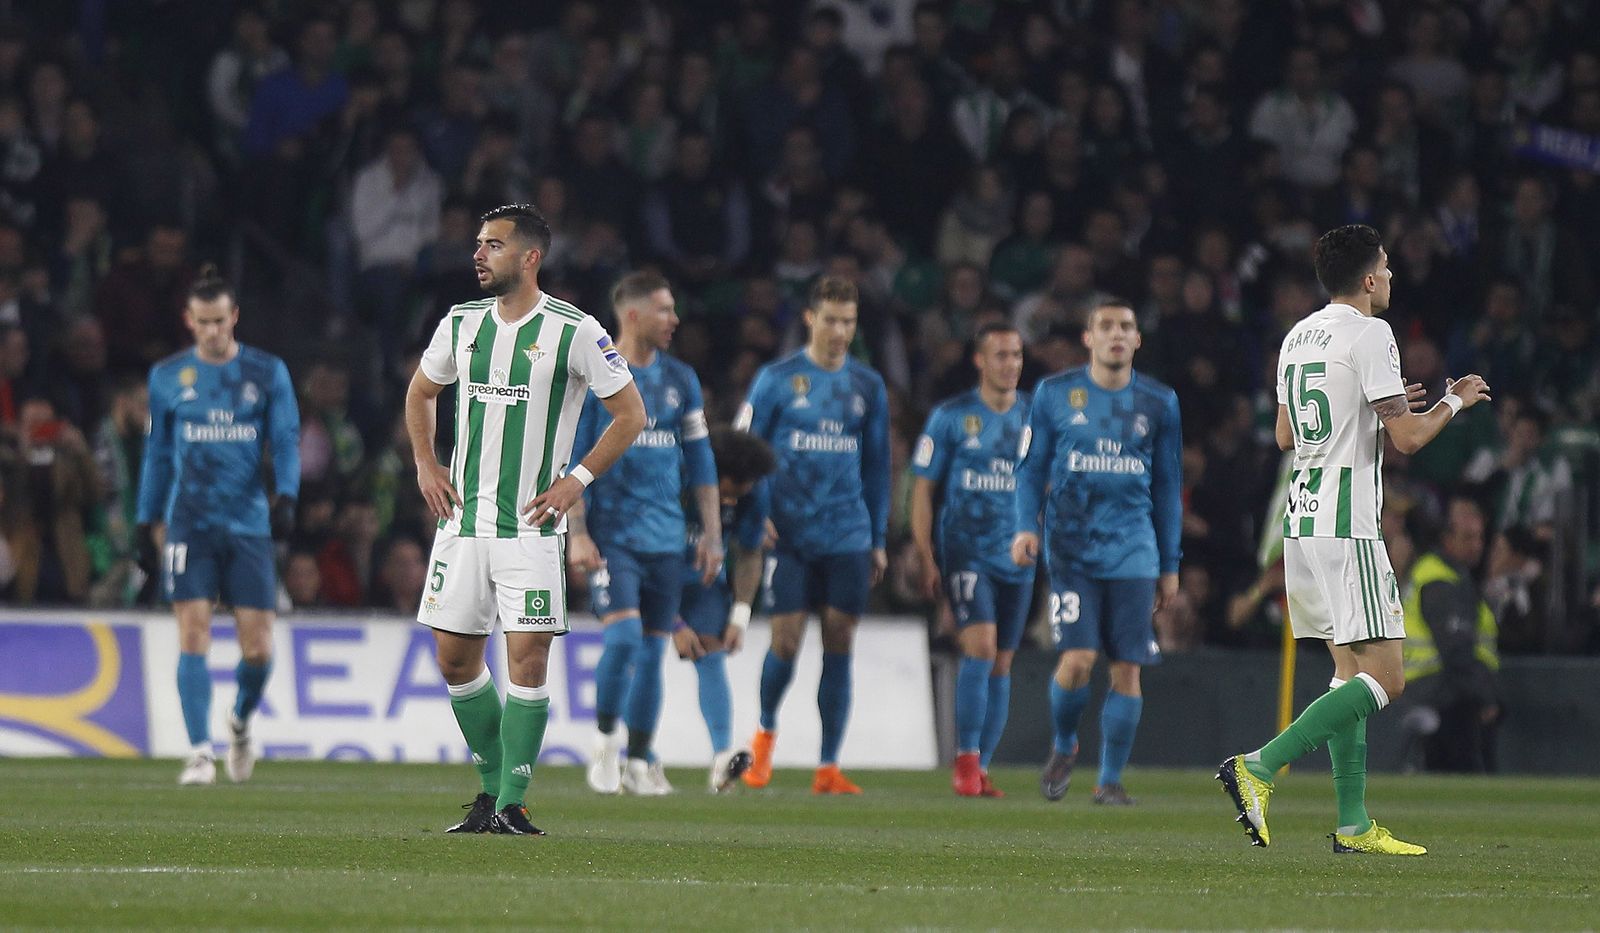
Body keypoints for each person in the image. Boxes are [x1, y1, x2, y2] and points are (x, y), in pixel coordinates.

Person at [1216, 223, 1491, 855]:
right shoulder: (1373, 333)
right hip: (1349, 520)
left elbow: (1287, 436)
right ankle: (1257, 767)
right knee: (1388, 680)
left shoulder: (1297, 336)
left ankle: (1353, 823)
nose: (1391, 278)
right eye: (1387, 269)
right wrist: (1452, 402)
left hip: (1303, 520)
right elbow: (1410, 440)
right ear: (1368, 279)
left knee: (1348, 676)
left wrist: (1374, 405)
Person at [406, 204, 645, 835]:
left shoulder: (576, 330)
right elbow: (422, 391)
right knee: (456, 661)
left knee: (527, 661)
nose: (479, 254)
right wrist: (427, 466)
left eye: (493, 245)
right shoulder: (460, 323)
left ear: (530, 257)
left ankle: (512, 801)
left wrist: (576, 480)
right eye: (479, 244)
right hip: (462, 523)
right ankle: (489, 794)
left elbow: (630, 415)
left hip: (532, 527)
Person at [134, 267, 301, 787]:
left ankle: (240, 720)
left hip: (248, 521)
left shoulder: (266, 371)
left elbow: (287, 438)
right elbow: (158, 453)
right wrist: (146, 519)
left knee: (258, 647)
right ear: (189, 321)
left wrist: (288, 496)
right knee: (194, 631)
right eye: (202, 322)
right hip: (191, 522)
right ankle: (199, 752)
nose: (212, 331)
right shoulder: (166, 378)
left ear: (235, 317)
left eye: (220, 321)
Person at [1011, 301, 1182, 806]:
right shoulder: (1055, 394)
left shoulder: (1159, 402)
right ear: (1088, 338)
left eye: (1125, 326)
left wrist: (1169, 564)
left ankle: (1109, 780)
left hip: (1134, 549)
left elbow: (1169, 487)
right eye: (1105, 326)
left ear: (1137, 340)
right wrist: (1025, 527)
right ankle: (1065, 743)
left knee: (1127, 666)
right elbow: (1030, 468)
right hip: (1071, 548)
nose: (1116, 334)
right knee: (1080, 658)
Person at [567, 271, 721, 797]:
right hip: (614, 537)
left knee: (655, 651)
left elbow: (701, 463)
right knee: (626, 637)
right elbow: (574, 463)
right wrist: (578, 534)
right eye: (664, 310)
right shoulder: (595, 380)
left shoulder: (682, 380)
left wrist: (712, 534)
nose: (674, 320)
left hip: (668, 540)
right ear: (632, 315)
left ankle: (638, 761)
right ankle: (605, 742)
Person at [735, 275, 889, 795]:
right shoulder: (776, 380)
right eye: (831, 319)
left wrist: (878, 537)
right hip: (790, 535)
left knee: (840, 638)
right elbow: (744, 451)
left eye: (849, 320)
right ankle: (763, 745)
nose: (841, 330)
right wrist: (758, 513)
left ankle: (827, 766)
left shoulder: (867, 386)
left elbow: (877, 467)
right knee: (786, 638)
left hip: (847, 533)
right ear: (810, 319)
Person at [910, 322, 1033, 797]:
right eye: (1001, 355)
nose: (1011, 364)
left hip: (1018, 557)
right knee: (980, 649)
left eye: (1017, 355)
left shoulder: (1034, 419)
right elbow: (923, 489)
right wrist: (925, 553)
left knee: (1002, 661)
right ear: (980, 361)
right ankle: (964, 761)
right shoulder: (951, 417)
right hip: (966, 551)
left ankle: (982, 764)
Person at [672, 427, 778, 793]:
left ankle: (721, 756)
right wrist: (673, 622)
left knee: (712, 653)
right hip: (651, 574)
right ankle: (638, 758)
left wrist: (740, 615)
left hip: (702, 581)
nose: (734, 501)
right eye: (730, 491)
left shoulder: (753, 490)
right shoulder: (677, 476)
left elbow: (750, 553)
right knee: (642, 648)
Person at [1399, 498, 1501, 773]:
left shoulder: (1444, 573)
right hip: (1441, 691)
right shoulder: (1440, 581)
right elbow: (1455, 649)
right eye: (1468, 538)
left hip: (1431, 687)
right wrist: (1485, 696)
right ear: (1447, 538)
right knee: (1466, 773)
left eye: (1480, 537)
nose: (1477, 545)